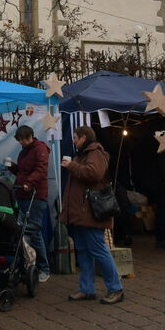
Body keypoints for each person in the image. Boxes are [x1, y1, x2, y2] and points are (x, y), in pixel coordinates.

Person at [59, 125, 124, 305]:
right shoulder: (83, 154)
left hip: (91, 213)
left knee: (98, 249)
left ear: (84, 137)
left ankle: (116, 288)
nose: (73, 141)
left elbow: (94, 174)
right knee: (84, 251)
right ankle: (87, 289)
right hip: (81, 213)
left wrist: (72, 165)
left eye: (75, 137)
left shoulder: (95, 152)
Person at [7, 124, 51, 281]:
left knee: (33, 232)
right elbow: (23, 171)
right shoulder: (24, 152)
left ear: (30, 136)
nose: (20, 143)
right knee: (29, 231)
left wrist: (29, 183)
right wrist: (13, 168)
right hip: (24, 195)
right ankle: (31, 266)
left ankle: (44, 268)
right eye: (19, 140)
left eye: (22, 140)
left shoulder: (40, 149)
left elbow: (41, 170)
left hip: (36, 195)